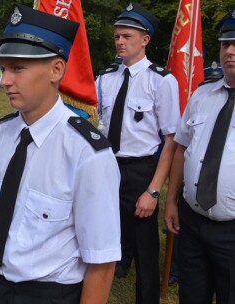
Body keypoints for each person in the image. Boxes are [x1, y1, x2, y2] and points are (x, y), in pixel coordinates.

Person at [0, 4, 121, 303]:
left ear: (57, 69)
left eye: (18, 68)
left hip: (48, 294)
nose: (5, 80)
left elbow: (102, 259)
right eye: (4, 68)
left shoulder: (87, 152)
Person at [96, 3, 180, 303]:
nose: (120, 41)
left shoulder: (161, 80)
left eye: (127, 36)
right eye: (117, 36)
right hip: (107, 167)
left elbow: (171, 140)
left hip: (140, 171)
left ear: (145, 40)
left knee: (145, 250)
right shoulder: (105, 78)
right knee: (102, 238)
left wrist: (154, 191)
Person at [164, 10, 235, 303]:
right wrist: (170, 201)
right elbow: (182, 149)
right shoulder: (202, 95)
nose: (230, 50)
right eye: (225, 43)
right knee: (192, 296)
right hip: (191, 222)